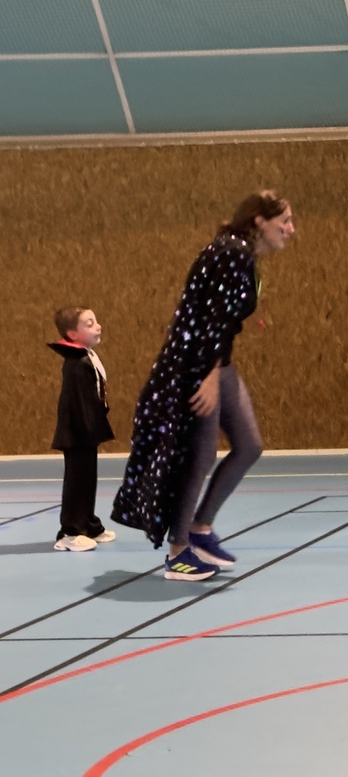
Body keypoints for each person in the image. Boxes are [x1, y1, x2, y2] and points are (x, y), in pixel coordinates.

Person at [114, 191, 295, 582]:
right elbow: (211, 321)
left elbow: (224, 321)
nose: (291, 229)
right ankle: (179, 553)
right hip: (196, 365)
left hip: (217, 360)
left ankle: (200, 529)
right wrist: (208, 377)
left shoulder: (241, 253)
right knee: (200, 456)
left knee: (249, 445)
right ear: (260, 221)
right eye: (285, 221)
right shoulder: (230, 252)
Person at [49, 307, 116, 552]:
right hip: (78, 433)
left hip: (87, 432)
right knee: (77, 483)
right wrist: (88, 428)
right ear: (72, 334)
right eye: (89, 324)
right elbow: (77, 402)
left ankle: (88, 525)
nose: (97, 326)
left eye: (95, 321)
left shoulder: (86, 356)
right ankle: (70, 531)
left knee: (88, 481)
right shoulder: (75, 364)